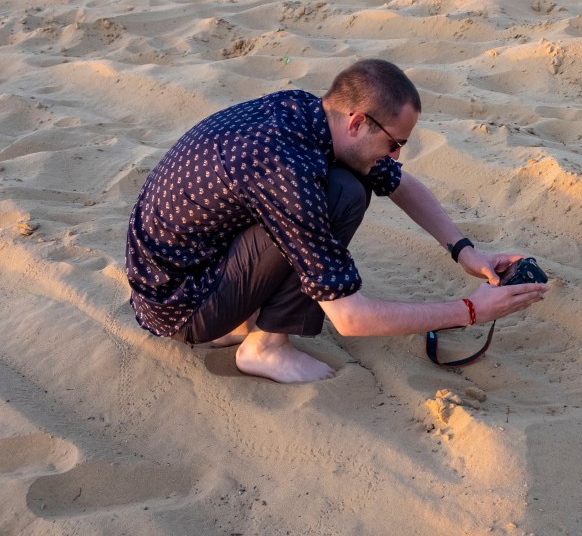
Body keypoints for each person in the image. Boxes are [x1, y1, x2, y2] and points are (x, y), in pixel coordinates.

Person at [126, 59, 548, 382]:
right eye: (394, 143)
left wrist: (465, 251)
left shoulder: (306, 114)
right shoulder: (285, 171)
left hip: (182, 271)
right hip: (181, 306)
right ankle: (265, 347)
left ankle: (243, 321)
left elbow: (399, 183)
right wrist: (471, 310)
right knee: (343, 195)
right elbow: (350, 318)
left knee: (349, 181)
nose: (397, 154)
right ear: (358, 122)